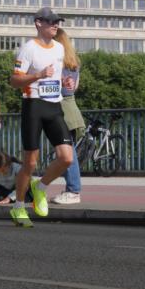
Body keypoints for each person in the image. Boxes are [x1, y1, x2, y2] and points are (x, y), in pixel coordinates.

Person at [8, 7, 75, 228]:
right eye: (51, 22)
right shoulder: (28, 49)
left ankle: (41, 187)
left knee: (66, 157)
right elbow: (14, 81)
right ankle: (18, 207)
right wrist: (37, 75)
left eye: (57, 22)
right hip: (33, 105)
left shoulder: (59, 48)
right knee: (30, 162)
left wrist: (65, 83)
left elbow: (57, 75)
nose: (55, 25)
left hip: (54, 106)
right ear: (38, 23)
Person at [52, 28, 85, 205]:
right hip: (71, 108)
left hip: (60, 109)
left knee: (66, 153)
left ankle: (73, 190)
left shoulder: (56, 63)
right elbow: (75, 88)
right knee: (63, 153)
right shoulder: (73, 64)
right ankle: (71, 189)